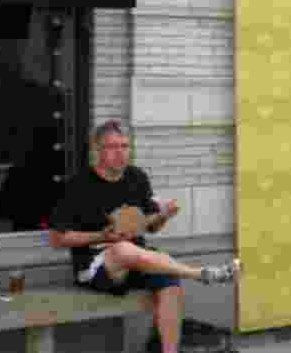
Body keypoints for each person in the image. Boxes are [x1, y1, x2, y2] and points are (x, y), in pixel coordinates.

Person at [49, 120, 241, 353]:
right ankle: (200, 273)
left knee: (169, 284)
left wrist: (163, 216)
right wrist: (101, 235)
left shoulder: (136, 177)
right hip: (97, 267)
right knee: (122, 249)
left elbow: (151, 228)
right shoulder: (78, 185)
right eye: (112, 147)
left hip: (139, 259)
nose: (120, 153)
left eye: (125, 146)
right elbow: (57, 239)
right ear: (97, 151)